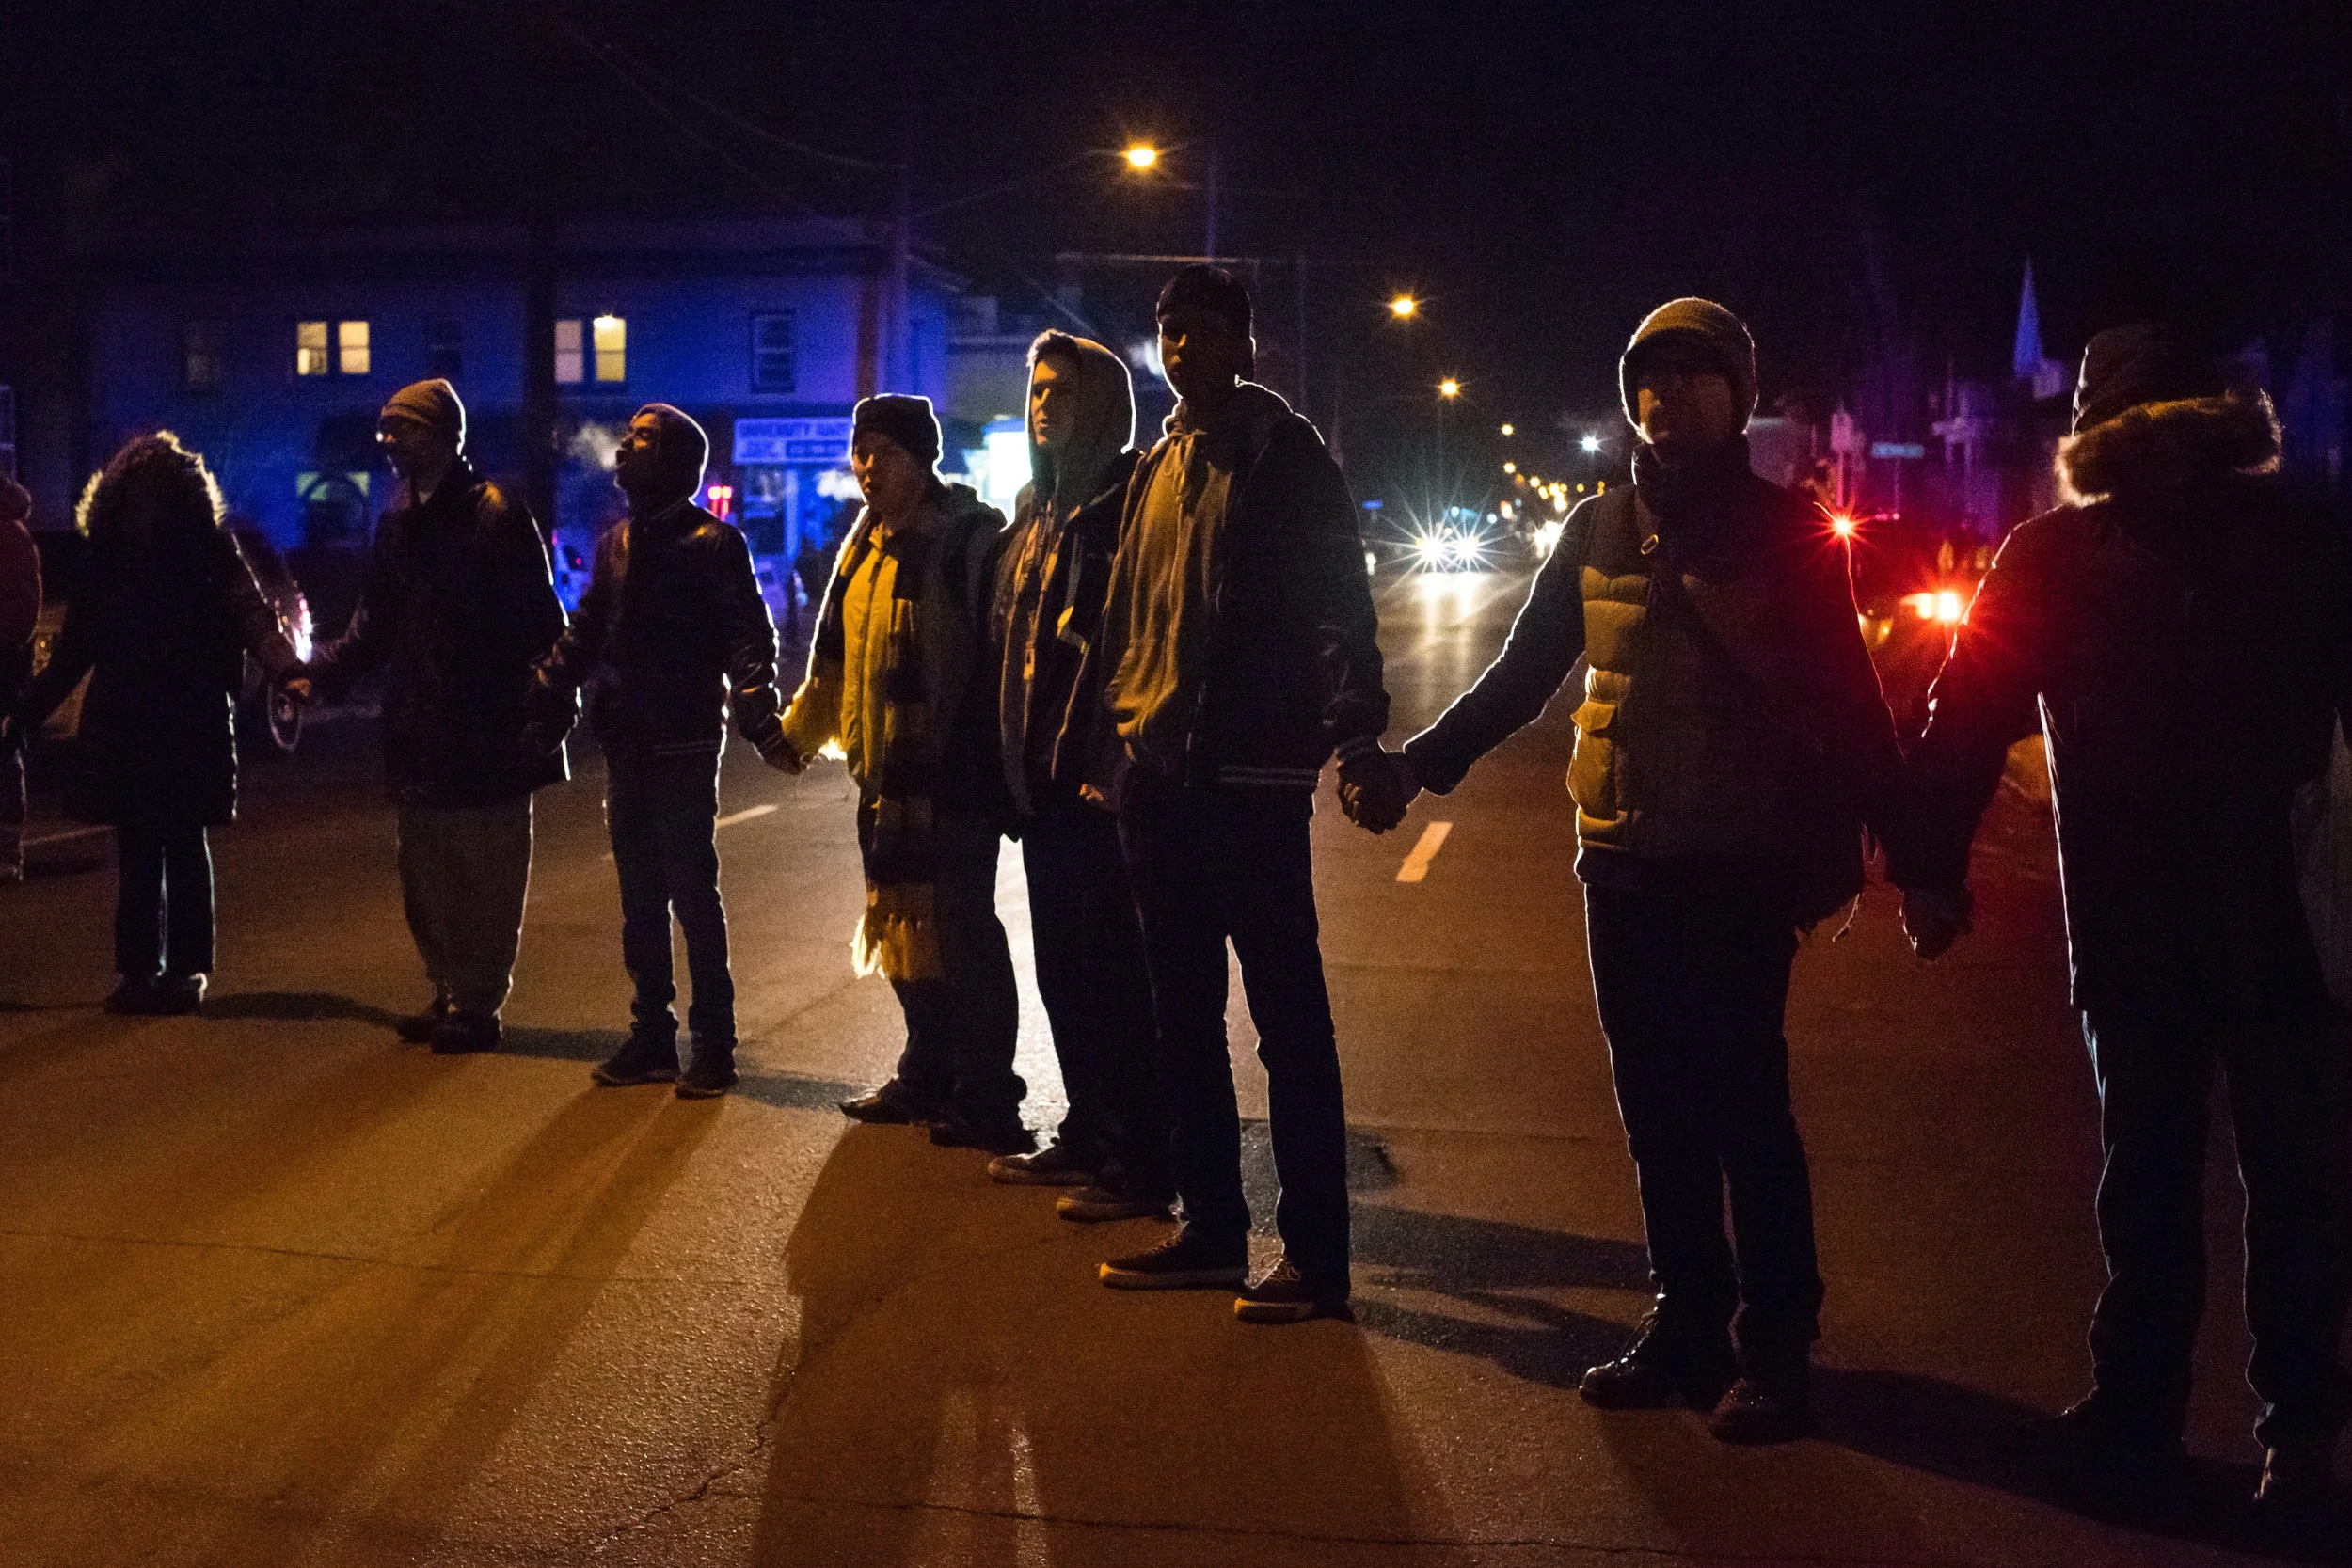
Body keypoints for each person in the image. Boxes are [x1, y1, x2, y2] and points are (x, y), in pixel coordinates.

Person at [1355, 299, 1917, 1437]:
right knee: (1655, 1105)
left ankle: (1775, 1342)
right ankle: (1683, 1318)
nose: (1668, 401)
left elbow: (1853, 711)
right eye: (1648, 381)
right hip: (1618, 860)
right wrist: (1417, 766)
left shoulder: (1788, 532)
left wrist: (1923, 857)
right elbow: (1521, 679)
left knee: (1743, 1104)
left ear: (1737, 396)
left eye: (1694, 379)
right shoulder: (1595, 526)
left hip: (1738, 863)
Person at [1902, 324, 2352, 1508]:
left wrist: (1930, 868)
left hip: (2146, 915)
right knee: (2288, 1181)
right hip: (2283, 919)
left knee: (2152, 1179)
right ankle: (2295, 1431)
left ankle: (2144, 1414)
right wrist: (1931, 858)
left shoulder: (2058, 551)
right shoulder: (2305, 532)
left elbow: (1966, 714)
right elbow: (1973, 710)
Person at [1085, 265, 1393, 1325]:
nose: (1181, 349)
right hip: (1157, 776)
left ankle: (1314, 1256)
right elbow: (1129, 606)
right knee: (1181, 1017)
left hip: (1250, 776)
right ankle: (1211, 1226)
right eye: (1168, 331)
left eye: (1202, 330)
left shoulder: (1283, 455)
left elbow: (1337, 601)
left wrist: (1353, 730)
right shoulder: (1160, 462)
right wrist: (1111, 739)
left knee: (1286, 1023)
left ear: (1243, 341)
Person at [781, 394, 1031, 1155]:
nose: (866, 468)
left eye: (883, 454)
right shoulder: (863, 548)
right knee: (900, 929)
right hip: (883, 782)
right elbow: (833, 664)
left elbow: (1001, 660)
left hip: (954, 778)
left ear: (923, 461)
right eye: (859, 453)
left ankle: (988, 1094)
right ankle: (927, 1071)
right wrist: (791, 735)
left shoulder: (967, 542)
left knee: (962, 936)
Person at [529, 404, 797, 1099]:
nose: (623, 448)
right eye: (624, 437)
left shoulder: (715, 544)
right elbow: (586, 630)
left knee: (691, 894)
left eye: (640, 440)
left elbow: (749, 635)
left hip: (682, 741)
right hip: (627, 742)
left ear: (676, 461)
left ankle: (714, 1044)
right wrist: (544, 685)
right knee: (640, 898)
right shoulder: (618, 543)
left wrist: (756, 701)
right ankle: (652, 1034)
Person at [302, 380, 568, 1054]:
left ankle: (477, 1003)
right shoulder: (397, 525)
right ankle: (450, 987)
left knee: (485, 873)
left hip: (486, 725)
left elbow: (543, 622)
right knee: (426, 874)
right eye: (386, 430)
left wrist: (545, 708)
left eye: (405, 430)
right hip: (422, 726)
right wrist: (322, 673)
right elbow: (375, 626)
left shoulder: (498, 514)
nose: (389, 443)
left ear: (446, 436)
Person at [3, 434, 301, 1010]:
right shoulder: (209, 549)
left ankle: (142, 971)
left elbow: (74, 652)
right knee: (183, 844)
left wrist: (23, 715)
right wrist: (287, 669)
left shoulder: (109, 558)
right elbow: (252, 615)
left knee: (142, 848)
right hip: (190, 713)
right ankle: (183, 971)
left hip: (130, 716)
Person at [983, 330, 1173, 1222]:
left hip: (1103, 791)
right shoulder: (1035, 514)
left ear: (1101, 403)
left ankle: (1141, 1159)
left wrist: (1117, 765)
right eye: (1035, 391)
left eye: (1062, 391)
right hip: (1043, 790)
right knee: (1063, 968)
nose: (1043, 404)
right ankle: (1090, 1132)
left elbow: (1142, 647)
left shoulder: (1129, 507)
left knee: (1115, 978)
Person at [0, 474, 39, 885]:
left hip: (4, 669)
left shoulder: (11, 538)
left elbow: (21, 612)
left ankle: (9, 852)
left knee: (4, 754)